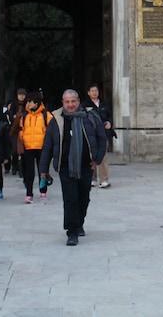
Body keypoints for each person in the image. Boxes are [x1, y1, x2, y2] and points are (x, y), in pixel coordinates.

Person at [40, 89, 107, 246]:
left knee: (83, 197)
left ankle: (79, 223)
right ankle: (72, 231)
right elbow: (48, 145)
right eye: (67, 102)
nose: (70, 105)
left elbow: (101, 138)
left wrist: (96, 159)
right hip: (65, 166)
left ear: (78, 101)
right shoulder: (56, 120)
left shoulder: (91, 117)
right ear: (63, 103)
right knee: (70, 198)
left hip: (85, 165)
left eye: (73, 101)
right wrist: (44, 169)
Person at [20, 91, 52, 203]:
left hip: (42, 147)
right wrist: (22, 140)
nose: (28, 104)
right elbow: (21, 129)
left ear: (37, 103)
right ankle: (29, 194)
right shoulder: (25, 115)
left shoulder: (45, 115)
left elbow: (51, 130)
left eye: (30, 101)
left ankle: (43, 192)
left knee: (42, 171)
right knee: (29, 173)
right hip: (28, 147)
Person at [81, 83, 113, 188]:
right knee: (91, 155)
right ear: (88, 93)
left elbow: (109, 116)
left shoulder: (104, 104)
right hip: (91, 134)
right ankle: (92, 178)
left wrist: (109, 122)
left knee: (103, 155)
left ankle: (104, 179)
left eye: (96, 91)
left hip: (103, 133)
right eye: (92, 91)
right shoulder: (85, 105)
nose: (95, 93)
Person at [4, 88, 28, 175]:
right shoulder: (13, 105)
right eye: (20, 94)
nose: (21, 96)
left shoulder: (28, 105)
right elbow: (9, 117)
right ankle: (14, 167)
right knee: (14, 150)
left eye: (23, 95)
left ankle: (22, 168)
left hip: (24, 130)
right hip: (15, 130)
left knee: (22, 151)